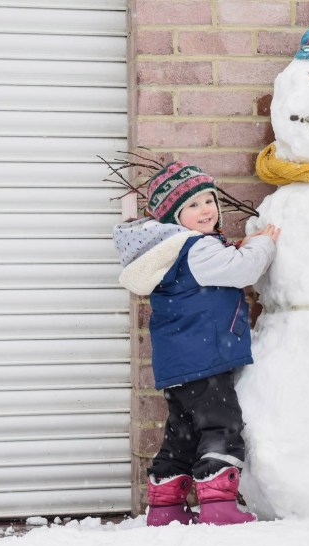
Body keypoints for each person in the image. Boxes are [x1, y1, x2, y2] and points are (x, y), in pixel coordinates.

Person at [113, 161, 280, 526]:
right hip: (207, 359)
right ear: (174, 216)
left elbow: (222, 264)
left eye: (209, 200)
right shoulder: (196, 248)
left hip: (177, 366)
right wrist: (264, 244)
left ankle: (164, 506)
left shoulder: (172, 253)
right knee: (220, 425)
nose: (206, 209)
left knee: (182, 434)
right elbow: (243, 270)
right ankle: (219, 506)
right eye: (193, 205)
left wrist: (238, 246)